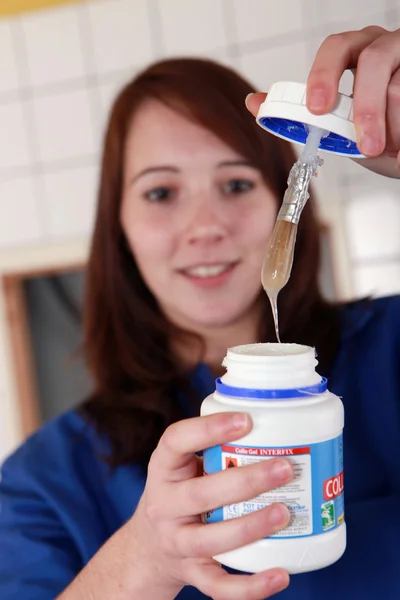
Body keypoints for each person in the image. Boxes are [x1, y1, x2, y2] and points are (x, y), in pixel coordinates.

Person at [0, 25, 399, 600]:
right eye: (161, 193)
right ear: (120, 229)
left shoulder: (390, 349)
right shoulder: (47, 479)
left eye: (236, 183)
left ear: (281, 202)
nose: (206, 227)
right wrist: (143, 557)